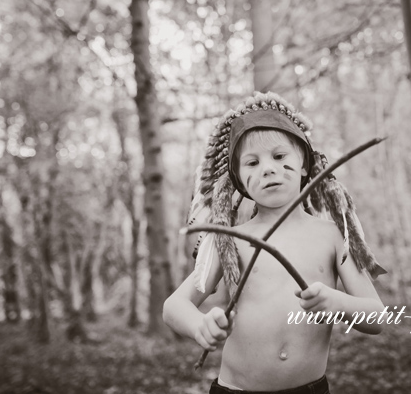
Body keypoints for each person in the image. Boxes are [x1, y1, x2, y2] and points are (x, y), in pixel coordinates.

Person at [163, 92, 386, 394]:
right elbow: (174, 306)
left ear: (305, 165)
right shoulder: (232, 243)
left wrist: (337, 303)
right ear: (240, 182)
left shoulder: (332, 236)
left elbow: (377, 317)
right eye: (252, 163)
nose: (267, 169)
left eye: (280, 157)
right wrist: (199, 325)